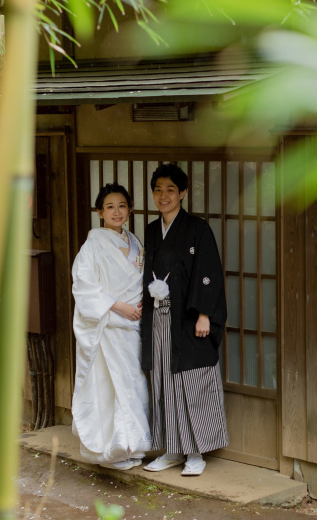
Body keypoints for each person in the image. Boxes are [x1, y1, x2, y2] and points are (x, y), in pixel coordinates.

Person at [141, 164, 228, 476]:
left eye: (170, 190)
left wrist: (205, 314)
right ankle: (171, 450)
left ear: (182, 194)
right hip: (160, 319)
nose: (163, 196)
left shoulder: (197, 228)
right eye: (158, 190)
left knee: (191, 382)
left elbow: (209, 273)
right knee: (163, 381)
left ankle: (196, 453)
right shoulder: (152, 231)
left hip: (189, 321)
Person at [70, 183, 151, 470]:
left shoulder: (135, 241)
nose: (117, 212)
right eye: (110, 207)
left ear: (129, 209)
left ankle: (132, 444)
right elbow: (84, 287)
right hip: (109, 325)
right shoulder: (93, 245)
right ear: (99, 212)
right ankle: (111, 449)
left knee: (133, 383)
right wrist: (118, 306)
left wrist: (141, 304)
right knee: (110, 384)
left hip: (133, 325)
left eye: (122, 206)